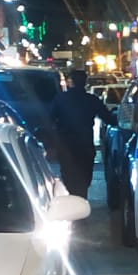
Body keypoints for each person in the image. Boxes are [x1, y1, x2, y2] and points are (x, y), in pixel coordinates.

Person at [51, 69, 116, 199]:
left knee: (68, 175)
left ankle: (72, 199)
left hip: (66, 144)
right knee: (84, 177)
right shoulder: (91, 100)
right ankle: (81, 198)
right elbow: (108, 118)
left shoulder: (60, 99)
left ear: (71, 82)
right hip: (85, 145)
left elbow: (50, 118)